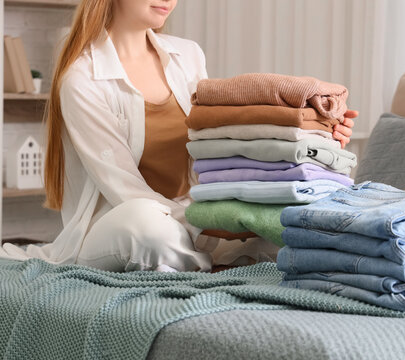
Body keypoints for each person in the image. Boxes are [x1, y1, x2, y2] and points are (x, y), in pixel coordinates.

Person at [0, 0, 356, 272]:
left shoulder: (186, 55)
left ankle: (219, 259)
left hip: (191, 214)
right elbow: (124, 189)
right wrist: (215, 225)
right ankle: (221, 262)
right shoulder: (82, 78)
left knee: (293, 218)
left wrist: (318, 135)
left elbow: (222, 138)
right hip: (120, 223)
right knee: (148, 228)